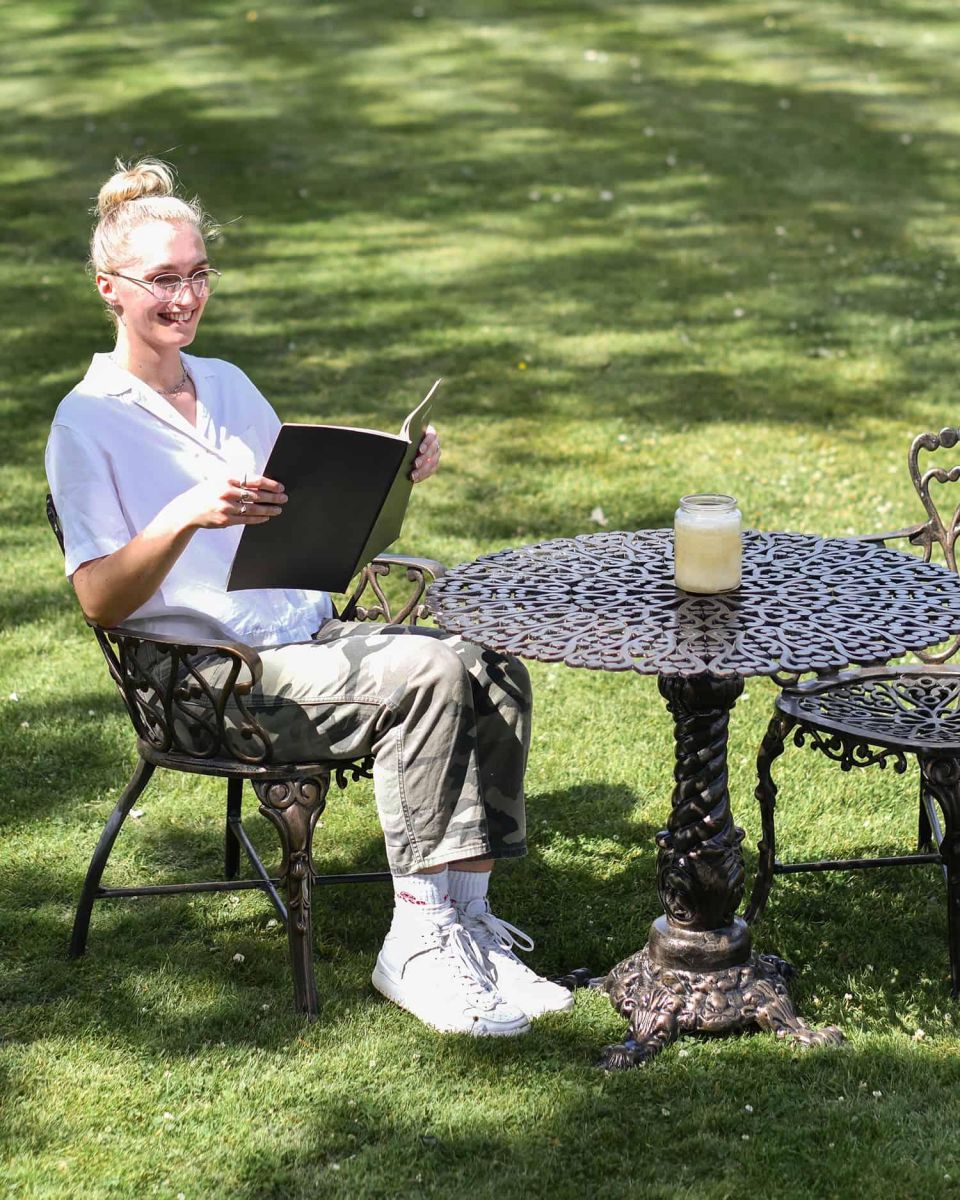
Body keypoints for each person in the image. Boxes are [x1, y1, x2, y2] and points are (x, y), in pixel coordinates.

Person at [45, 158, 573, 1037]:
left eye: (198, 274)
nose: (186, 296)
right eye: (163, 280)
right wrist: (182, 516)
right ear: (111, 288)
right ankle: (415, 938)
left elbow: (297, 504)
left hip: (302, 637)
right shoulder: (86, 422)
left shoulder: (227, 384)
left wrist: (393, 470)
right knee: (430, 673)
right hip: (215, 679)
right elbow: (100, 600)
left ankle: (469, 924)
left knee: (490, 664)